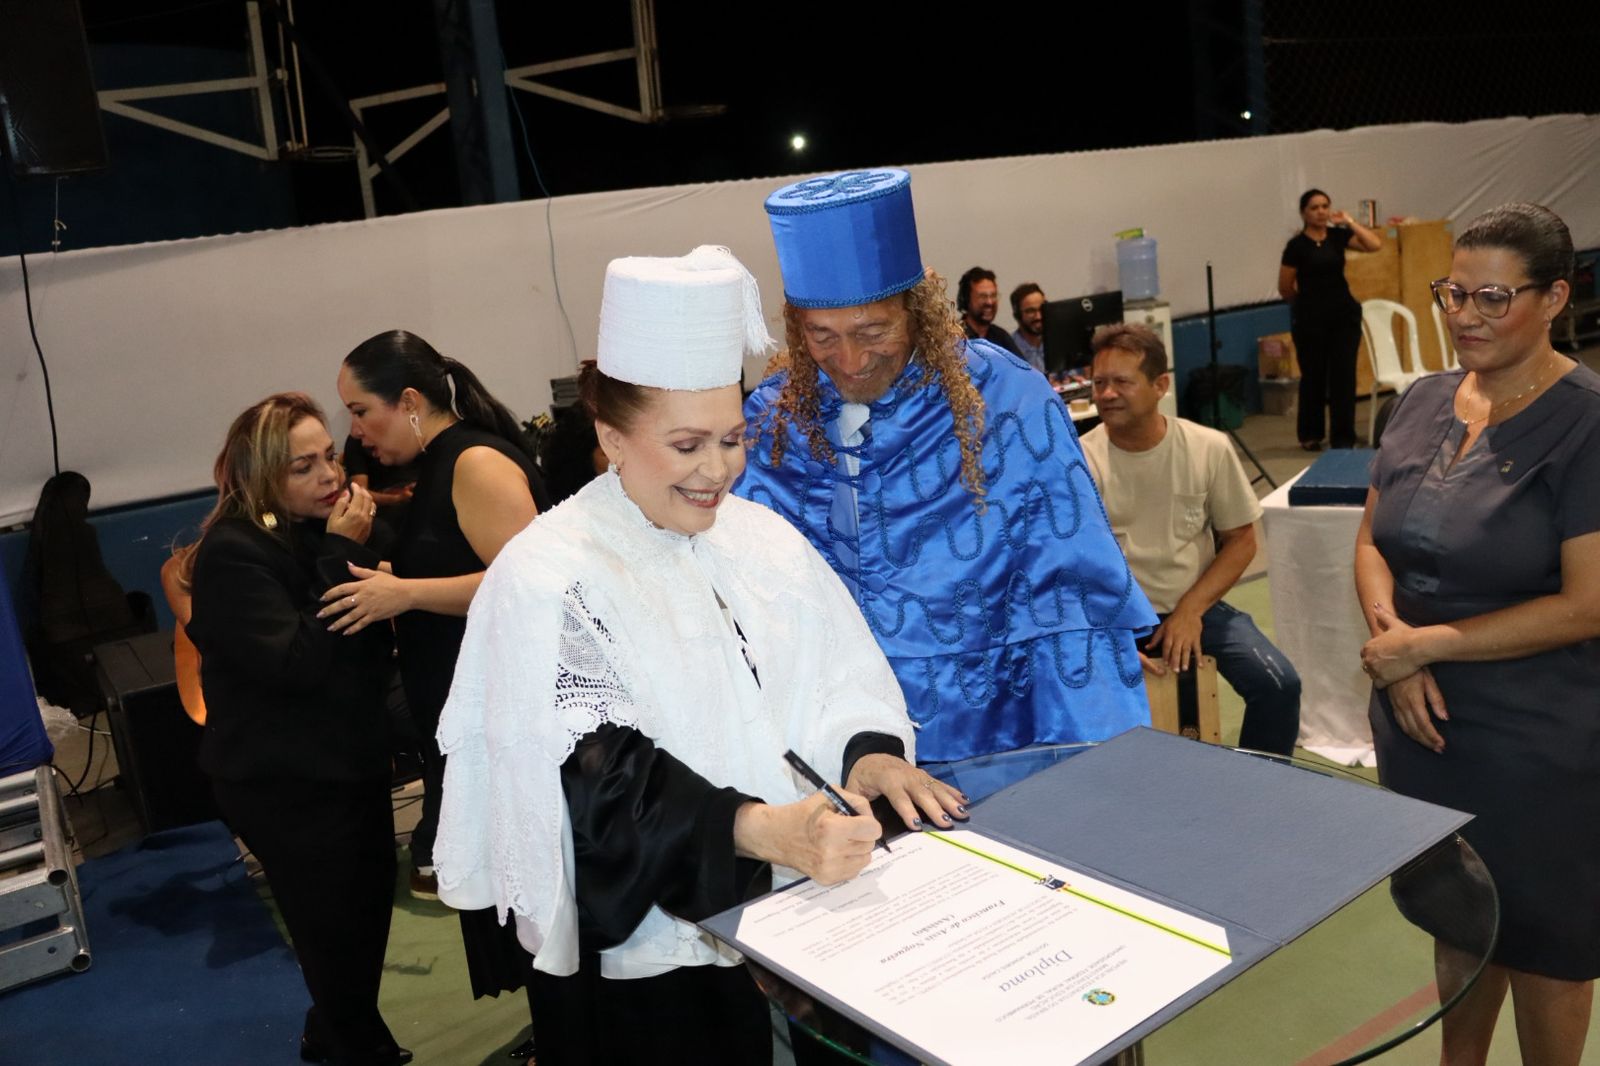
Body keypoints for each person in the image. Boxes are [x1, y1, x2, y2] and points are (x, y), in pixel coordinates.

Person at [433, 246, 958, 1065]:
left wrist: (868, 756)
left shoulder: (760, 539)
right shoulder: (547, 574)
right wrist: (760, 830)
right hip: (643, 967)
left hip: (792, 911)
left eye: (733, 439)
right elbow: (596, 783)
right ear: (610, 435)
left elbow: (836, 673)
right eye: (686, 446)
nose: (718, 471)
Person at [741, 168, 1155, 764]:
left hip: (994, 732)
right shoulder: (775, 423)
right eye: (821, 335)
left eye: (872, 330)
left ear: (917, 310)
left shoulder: (1007, 400)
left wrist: (1098, 759)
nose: (849, 360)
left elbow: (1071, 595)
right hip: (840, 742)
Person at [1355, 203, 1600, 1066]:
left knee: (1548, 946)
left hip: (1539, 741)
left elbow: (1588, 604)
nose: (1465, 315)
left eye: (1493, 298)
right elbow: (1372, 541)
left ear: (1554, 298)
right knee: (1459, 918)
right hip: (1426, 728)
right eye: (1453, 293)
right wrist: (1394, 650)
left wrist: (1430, 647)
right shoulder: (1422, 401)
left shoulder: (1587, 424)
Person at [327, 331, 547, 1057]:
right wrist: (398, 580)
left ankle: (569, 1027)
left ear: (410, 401)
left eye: (361, 411)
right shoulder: (441, 465)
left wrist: (407, 593)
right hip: (466, 713)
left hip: (507, 720)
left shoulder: (474, 461)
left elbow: (529, 586)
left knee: (531, 888)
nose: (356, 432)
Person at [180, 393, 407, 1066]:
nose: (329, 475)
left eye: (329, 456)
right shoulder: (234, 551)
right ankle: (358, 1047)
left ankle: (331, 1032)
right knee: (332, 930)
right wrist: (341, 552)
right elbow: (296, 664)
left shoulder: (316, 527)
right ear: (261, 475)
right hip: (282, 780)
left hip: (346, 761)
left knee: (364, 917)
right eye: (303, 466)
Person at [1080, 323, 1301, 756]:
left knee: (1279, 684)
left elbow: (1241, 540)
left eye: (1122, 382)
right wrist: (1107, 633)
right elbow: (1069, 564)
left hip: (1196, 603)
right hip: (1115, 617)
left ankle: (1261, 784)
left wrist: (1190, 610)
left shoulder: (1208, 448)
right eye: (1099, 382)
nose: (1106, 394)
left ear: (1160, 386)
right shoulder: (1080, 462)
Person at [1277, 188, 1383, 451]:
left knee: (1343, 377)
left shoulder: (1338, 236)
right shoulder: (1296, 246)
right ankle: (1310, 434)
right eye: (1315, 208)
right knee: (1313, 376)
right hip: (1310, 320)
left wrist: (1349, 222)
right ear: (1304, 213)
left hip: (1343, 317)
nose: (1321, 212)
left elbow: (1374, 245)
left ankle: (1343, 437)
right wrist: (1305, 306)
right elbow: (1285, 287)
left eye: (1325, 206)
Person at [956, 265, 1022, 357]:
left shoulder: (1001, 337)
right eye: (983, 296)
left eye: (993, 295)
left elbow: (1021, 364)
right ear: (966, 299)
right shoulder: (954, 335)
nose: (989, 302)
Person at [1010, 281, 1047, 374]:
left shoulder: (1057, 341)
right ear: (1017, 315)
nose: (1038, 316)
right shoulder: (1009, 349)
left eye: (1042, 309)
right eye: (1031, 311)